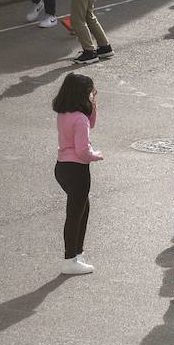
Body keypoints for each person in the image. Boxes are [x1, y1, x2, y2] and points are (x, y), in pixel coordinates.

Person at [51, 74, 103, 275]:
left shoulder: (64, 113)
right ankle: (69, 259)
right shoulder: (80, 119)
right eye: (90, 91)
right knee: (75, 215)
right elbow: (82, 150)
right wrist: (95, 155)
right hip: (77, 169)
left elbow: (91, 123)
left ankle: (77, 254)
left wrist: (94, 104)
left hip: (62, 167)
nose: (92, 94)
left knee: (82, 209)